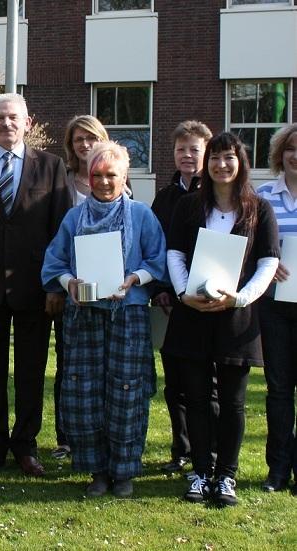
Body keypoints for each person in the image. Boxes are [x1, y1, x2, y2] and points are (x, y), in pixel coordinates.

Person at [0, 93, 72, 477]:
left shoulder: (52, 167)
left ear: (28, 123)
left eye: (13, 118)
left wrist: (56, 286)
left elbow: (61, 233)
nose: (6, 124)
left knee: (31, 370)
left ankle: (25, 445)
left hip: (35, 290)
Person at [42, 141, 166, 497]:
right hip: (83, 317)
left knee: (127, 392)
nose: (104, 181)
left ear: (124, 175)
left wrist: (134, 279)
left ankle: (124, 470)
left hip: (127, 315)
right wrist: (70, 283)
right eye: (97, 174)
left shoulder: (141, 215)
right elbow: (54, 264)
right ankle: (96, 469)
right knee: (85, 392)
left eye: (111, 174)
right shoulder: (74, 217)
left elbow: (156, 261)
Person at [165, 132, 279, 507]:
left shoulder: (259, 209)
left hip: (236, 320)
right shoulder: (188, 207)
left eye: (229, 157)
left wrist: (242, 298)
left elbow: (268, 262)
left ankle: (226, 476)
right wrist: (185, 295)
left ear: (240, 162)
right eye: (215, 157)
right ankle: (200, 473)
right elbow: (175, 254)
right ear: (207, 164)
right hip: (193, 316)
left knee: (233, 402)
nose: (221, 164)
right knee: (195, 399)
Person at [150, 120, 216, 474]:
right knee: (174, 382)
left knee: (209, 384)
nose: (187, 156)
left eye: (194, 149)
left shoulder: (219, 193)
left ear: (206, 153)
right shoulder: (165, 196)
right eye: (180, 149)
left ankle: (212, 453)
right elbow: (157, 246)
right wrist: (160, 289)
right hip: (171, 302)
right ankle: (182, 449)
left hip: (209, 301)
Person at [48, 115, 111, 461]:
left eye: (90, 138)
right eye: (77, 140)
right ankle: (66, 437)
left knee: (104, 365)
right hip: (72, 289)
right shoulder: (63, 184)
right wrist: (57, 287)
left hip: (111, 291)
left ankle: (101, 432)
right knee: (68, 363)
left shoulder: (118, 180)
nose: (84, 145)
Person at [256, 123, 297, 493]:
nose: (296, 156)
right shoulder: (264, 195)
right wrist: (270, 264)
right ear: (280, 153)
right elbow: (252, 245)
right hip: (274, 305)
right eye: (291, 148)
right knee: (279, 389)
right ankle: (278, 469)